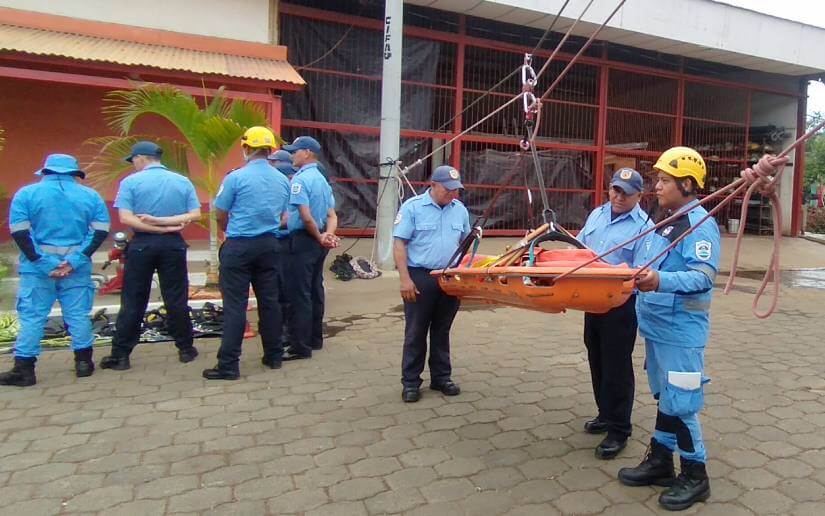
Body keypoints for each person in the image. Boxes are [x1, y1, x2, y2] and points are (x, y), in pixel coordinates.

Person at [618, 147, 720, 511]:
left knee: (682, 403)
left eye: (664, 180)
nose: (657, 186)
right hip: (658, 328)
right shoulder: (665, 221)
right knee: (667, 398)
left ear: (687, 184)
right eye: (657, 180)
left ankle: (696, 475)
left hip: (681, 333)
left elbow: (702, 277)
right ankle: (661, 461)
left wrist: (659, 280)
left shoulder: (699, 225)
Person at [3, 154, 110, 386]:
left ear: (45, 171)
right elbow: (100, 231)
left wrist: (43, 262)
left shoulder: (26, 194)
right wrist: (74, 260)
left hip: (37, 270)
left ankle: (24, 370)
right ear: (75, 174)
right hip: (77, 269)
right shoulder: (91, 196)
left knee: (33, 316)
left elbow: (20, 233)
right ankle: (84, 364)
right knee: (78, 315)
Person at [99, 141, 201, 371]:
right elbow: (194, 214)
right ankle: (186, 349)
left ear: (141, 158)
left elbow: (126, 218)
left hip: (142, 244)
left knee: (133, 299)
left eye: (133, 160)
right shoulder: (181, 181)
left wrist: (154, 226)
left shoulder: (130, 182)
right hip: (173, 243)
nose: (133, 164)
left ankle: (121, 355)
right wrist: (167, 226)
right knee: (176, 298)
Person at [202, 127, 291, 380]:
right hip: (269, 245)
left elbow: (220, 212)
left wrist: (228, 231)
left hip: (239, 245)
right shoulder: (282, 180)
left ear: (247, 148)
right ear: (269, 149)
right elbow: (284, 215)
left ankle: (228, 365)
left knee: (235, 306)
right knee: (270, 302)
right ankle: (274, 355)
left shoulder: (235, 178)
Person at [577, 168, 652, 460]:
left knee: (616, 366)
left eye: (626, 193)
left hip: (621, 307)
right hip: (591, 301)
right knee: (596, 358)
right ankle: (605, 414)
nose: (619, 197)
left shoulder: (645, 226)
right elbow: (579, 248)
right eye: (615, 190)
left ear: (639, 196)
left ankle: (619, 429)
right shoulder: (597, 215)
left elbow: (642, 270)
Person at [392, 165, 470, 403]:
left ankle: (441, 377)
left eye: (456, 190)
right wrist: (404, 279)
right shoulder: (413, 208)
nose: (453, 194)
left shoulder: (460, 210)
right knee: (415, 331)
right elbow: (399, 244)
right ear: (433, 185)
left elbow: (466, 245)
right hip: (420, 276)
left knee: (442, 330)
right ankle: (411, 382)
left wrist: (465, 277)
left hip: (449, 277)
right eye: (448, 189)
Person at [281, 136, 339, 361]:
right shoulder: (322, 180)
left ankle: (300, 346)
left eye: (295, 151)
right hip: (318, 240)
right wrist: (326, 235)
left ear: (307, 153)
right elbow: (331, 214)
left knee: (300, 293)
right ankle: (315, 338)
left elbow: (305, 217)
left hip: (305, 239)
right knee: (315, 289)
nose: (292, 156)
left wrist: (318, 235)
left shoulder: (301, 180)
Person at [268, 149, 296, 347]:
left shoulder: (290, 188)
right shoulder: (274, 187)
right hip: (275, 241)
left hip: (284, 241)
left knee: (284, 288)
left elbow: (290, 217)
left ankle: (285, 330)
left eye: (274, 162)